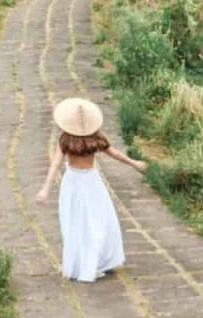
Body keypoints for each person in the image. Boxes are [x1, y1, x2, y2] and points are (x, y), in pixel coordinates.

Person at [36, 97, 147, 282]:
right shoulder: (96, 138)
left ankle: (81, 263)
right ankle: (98, 260)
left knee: (76, 223)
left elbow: (55, 164)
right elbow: (115, 154)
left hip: (72, 183)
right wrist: (134, 163)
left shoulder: (65, 139)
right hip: (91, 182)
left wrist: (45, 189)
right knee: (99, 221)